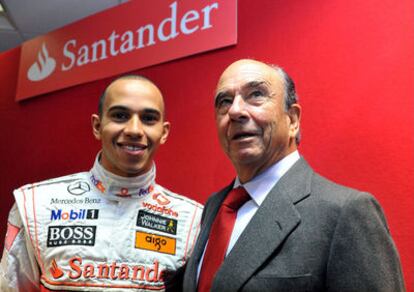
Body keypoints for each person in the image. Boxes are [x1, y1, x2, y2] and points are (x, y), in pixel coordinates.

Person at [183, 59, 405, 291]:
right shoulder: (215, 206)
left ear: (293, 120)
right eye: (225, 101)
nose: (235, 110)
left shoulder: (346, 212)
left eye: (256, 94)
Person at [0, 75, 203, 291]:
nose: (135, 130)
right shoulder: (36, 204)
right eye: (120, 115)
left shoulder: (191, 220)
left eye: (149, 118)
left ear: (163, 132)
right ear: (97, 126)